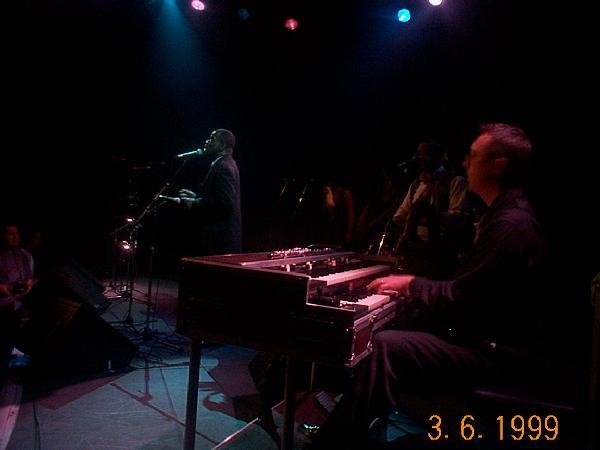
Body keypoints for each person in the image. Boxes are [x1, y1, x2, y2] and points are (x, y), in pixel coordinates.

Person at [312, 123, 548, 448]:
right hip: (484, 340)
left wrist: (411, 285)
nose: (465, 163)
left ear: (498, 164)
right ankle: (355, 423)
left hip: (494, 355)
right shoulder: (505, 215)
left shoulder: (511, 225)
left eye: (473, 156)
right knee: (395, 328)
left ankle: (334, 442)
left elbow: (462, 297)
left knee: (386, 346)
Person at [391, 140, 472, 277]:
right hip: (415, 255)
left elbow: (458, 219)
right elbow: (400, 217)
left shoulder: (456, 181)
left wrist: (425, 216)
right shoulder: (417, 183)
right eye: (419, 153)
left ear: (441, 155)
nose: (420, 157)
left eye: (427, 153)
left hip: (441, 257)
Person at [177, 128, 242, 256]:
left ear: (222, 145)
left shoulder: (223, 166)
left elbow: (225, 203)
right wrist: (196, 197)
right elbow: (219, 197)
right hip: (219, 238)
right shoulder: (224, 163)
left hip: (219, 240)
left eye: (212, 138)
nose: (207, 141)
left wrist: (195, 203)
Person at [0, 223, 35, 385]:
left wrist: (28, 286)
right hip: (4, 303)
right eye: (10, 234)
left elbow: (29, 277)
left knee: (19, 335)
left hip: (21, 302)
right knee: (5, 336)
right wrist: (6, 288)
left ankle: (17, 368)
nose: (15, 237)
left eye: (17, 234)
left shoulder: (25, 255)